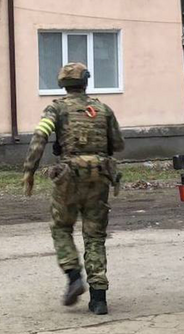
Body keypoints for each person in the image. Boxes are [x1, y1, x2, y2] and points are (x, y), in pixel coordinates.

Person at [22, 63, 125, 315]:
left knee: (61, 227)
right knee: (95, 236)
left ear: (62, 84)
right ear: (86, 82)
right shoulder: (103, 109)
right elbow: (118, 144)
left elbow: (39, 137)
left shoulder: (56, 109)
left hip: (68, 177)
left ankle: (73, 275)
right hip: (99, 176)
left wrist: (29, 170)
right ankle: (99, 297)